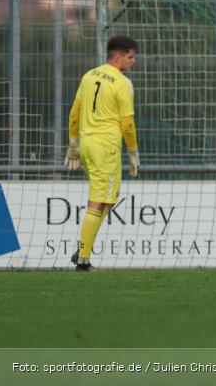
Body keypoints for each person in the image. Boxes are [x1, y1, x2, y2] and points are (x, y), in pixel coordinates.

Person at [64, 36, 140, 271]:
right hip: (106, 148)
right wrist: (133, 152)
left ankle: (83, 249)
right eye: (131, 57)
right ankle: (83, 260)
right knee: (98, 202)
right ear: (117, 57)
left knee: (108, 199)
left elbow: (75, 112)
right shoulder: (122, 83)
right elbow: (127, 123)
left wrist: (73, 143)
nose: (134, 61)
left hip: (87, 145)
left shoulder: (89, 76)